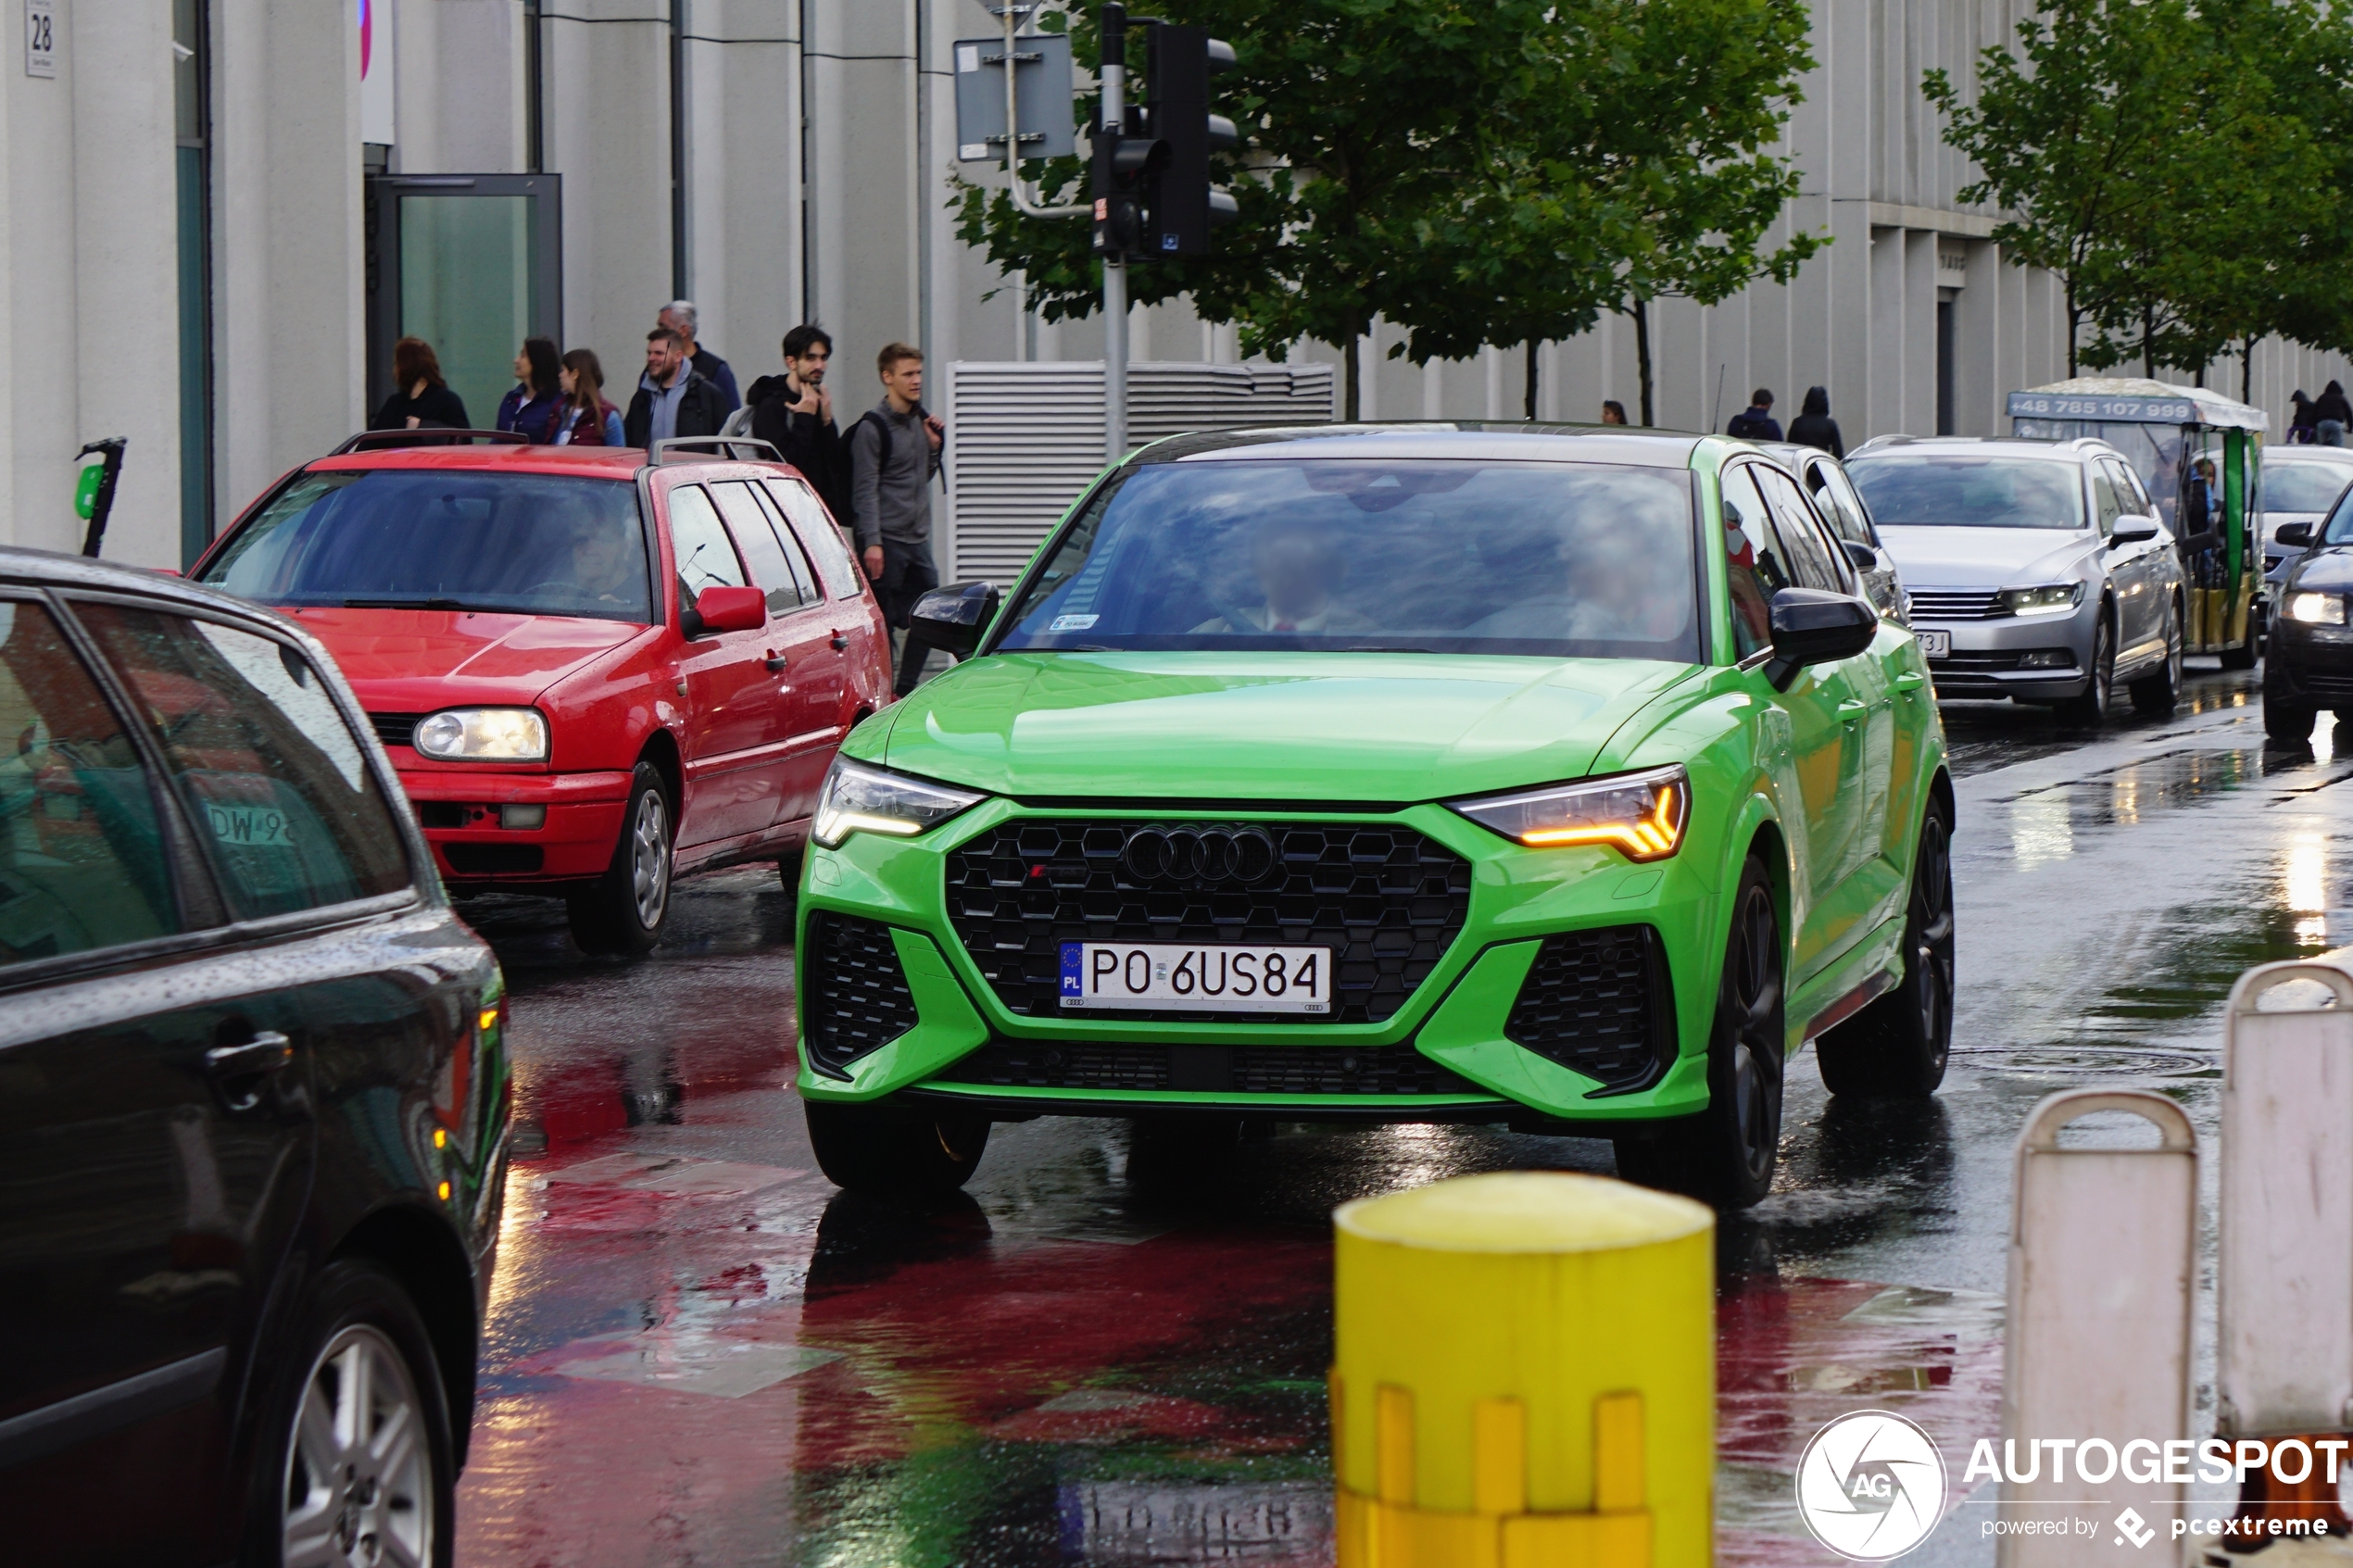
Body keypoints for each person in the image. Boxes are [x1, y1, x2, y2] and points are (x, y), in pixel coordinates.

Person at [849, 343, 946, 696]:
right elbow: (865, 489)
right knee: (883, 622)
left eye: (919, 372)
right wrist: (872, 542)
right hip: (886, 540)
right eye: (908, 374)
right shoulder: (872, 428)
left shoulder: (921, 423)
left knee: (932, 613)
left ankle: (905, 689)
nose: (917, 380)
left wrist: (934, 449)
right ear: (887, 378)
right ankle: (882, 690)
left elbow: (918, 479)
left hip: (917, 539)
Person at [1189, 516, 1370, 634]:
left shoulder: (1365, 636)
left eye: (1295, 563)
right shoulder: (1215, 631)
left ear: (1329, 570)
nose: (1282, 575)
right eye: (1269, 563)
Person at [746, 325, 850, 521]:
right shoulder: (771, 405)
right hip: (785, 516)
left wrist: (827, 421)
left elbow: (834, 464)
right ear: (791, 362)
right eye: (811, 358)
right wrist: (804, 418)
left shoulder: (816, 398)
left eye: (823, 358)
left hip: (819, 513)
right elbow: (786, 466)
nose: (819, 365)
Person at [622, 326, 728, 448]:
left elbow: (722, 445)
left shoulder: (707, 395)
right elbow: (629, 441)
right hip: (651, 467)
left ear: (678, 356)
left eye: (659, 353)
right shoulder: (642, 397)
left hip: (692, 467)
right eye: (649, 353)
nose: (651, 358)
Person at [658, 299, 740, 415]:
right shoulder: (655, 368)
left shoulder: (716, 370)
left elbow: (732, 421)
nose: (658, 335)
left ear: (683, 330)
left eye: (664, 328)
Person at [370, 338, 470, 431]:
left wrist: (422, 426)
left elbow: (461, 440)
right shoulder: (394, 403)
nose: (394, 370)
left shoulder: (446, 400)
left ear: (406, 366)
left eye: (396, 364)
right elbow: (369, 443)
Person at [496, 337, 565, 444]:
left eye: (523, 356)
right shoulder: (511, 399)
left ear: (537, 361)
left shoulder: (557, 403)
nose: (516, 360)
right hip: (504, 459)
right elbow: (498, 439)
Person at [552, 348, 624, 447]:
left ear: (575, 374)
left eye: (563, 370)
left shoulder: (608, 416)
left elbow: (618, 458)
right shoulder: (559, 409)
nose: (560, 375)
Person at [1787, 386, 1843, 457]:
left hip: (1801, 461)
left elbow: (1789, 448)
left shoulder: (1797, 423)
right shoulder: (1830, 424)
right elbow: (1838, 452)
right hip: (1822, 462)